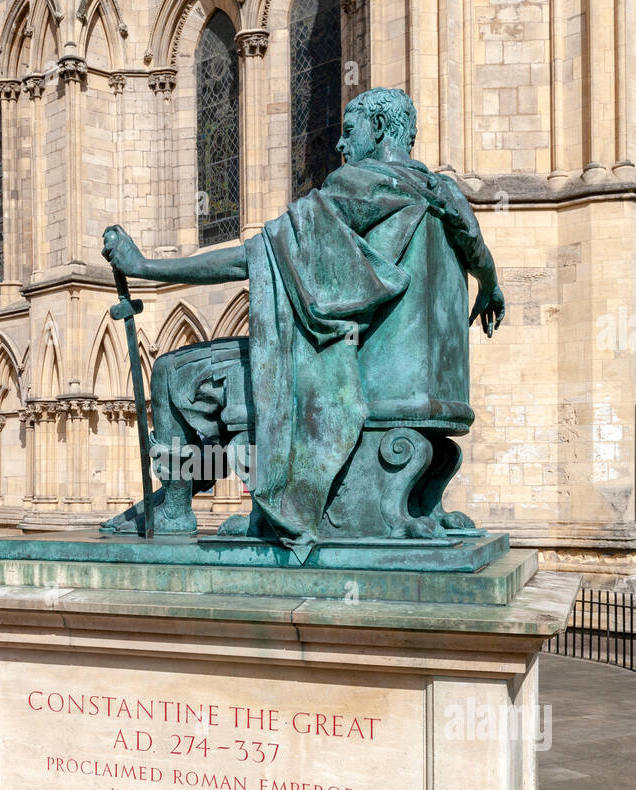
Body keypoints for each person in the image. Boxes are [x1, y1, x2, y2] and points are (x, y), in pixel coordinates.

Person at [101, 87, 505, 546]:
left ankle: (175, 509)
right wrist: (489, 286)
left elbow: (254, 258)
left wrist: (146, 268)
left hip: (346, 370)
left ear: (378, 128)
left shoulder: (357, 185)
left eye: (349, 131)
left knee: (172, 369)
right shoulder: (444, 194)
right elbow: (479, 253)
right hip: (409, 388)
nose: (340, 145)